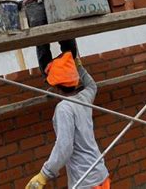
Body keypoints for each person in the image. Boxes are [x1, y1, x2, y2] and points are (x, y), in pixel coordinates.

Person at [25, 52, 110, 189]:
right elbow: (92, 86)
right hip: (100, 174)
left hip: (85, 181)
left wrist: (44, 175)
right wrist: (79, 67)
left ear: (56, 86)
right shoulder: (84, 98)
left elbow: (64, 147)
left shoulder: (64, 108)